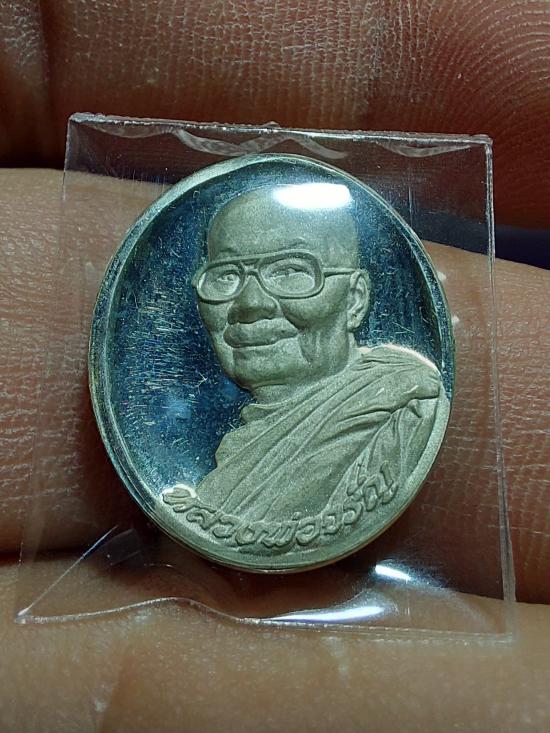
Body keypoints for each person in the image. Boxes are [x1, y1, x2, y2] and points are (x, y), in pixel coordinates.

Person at [189, 183, 448, 528]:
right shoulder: (233, 456)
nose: (250, 303)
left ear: (355, 299)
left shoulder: (407, 412)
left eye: (290, 270)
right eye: (227, 275)